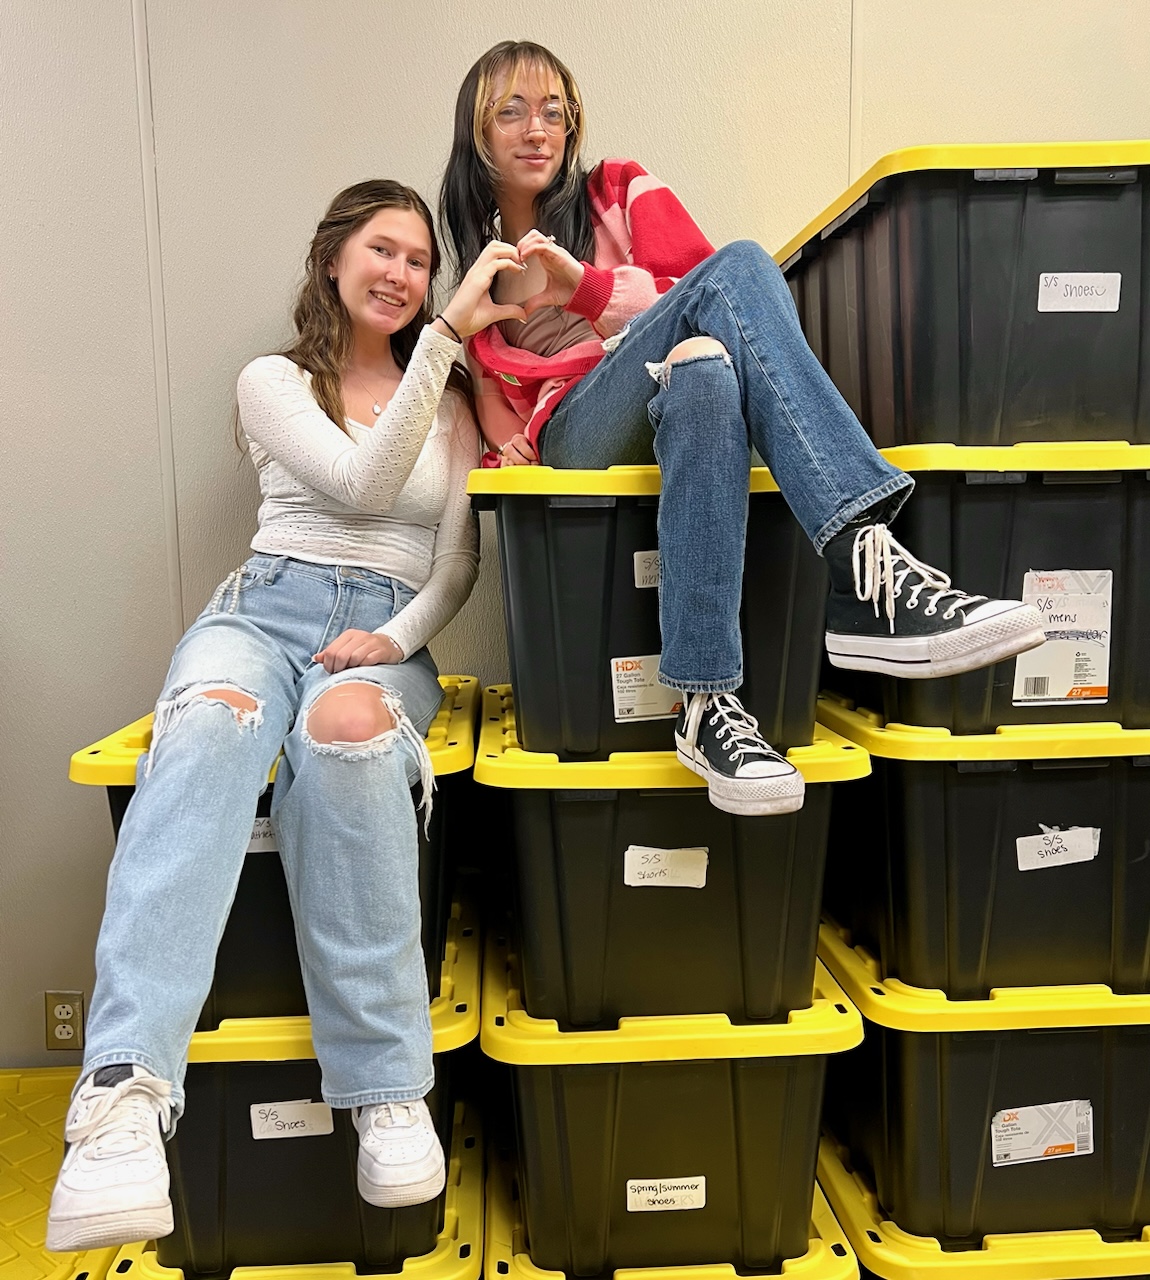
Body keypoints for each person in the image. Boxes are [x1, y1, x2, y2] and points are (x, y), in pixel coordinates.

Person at [47, 180, 527, 1252]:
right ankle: (124, 1097)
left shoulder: (448, 402)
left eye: (418, 258)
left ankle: (387, 1090)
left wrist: (392, 643)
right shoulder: (273, 380)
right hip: (262, 612)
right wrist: (451, 334)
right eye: (381, 250)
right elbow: (359, 488)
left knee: (349, 738)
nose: (402, 273)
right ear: (332, 260)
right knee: (211, 724)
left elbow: (454, 567)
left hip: (385, 631)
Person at [439, 40, 1045, 819]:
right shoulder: (479, 280)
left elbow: (696, 286)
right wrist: (507, 445)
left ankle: (705, 704)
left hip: (668, 390)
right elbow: (498, 423)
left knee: (705, 366)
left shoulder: (618, 190)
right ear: (477, 134)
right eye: (512, 111)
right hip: (578, 436)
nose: (538, 129)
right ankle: (863, 569)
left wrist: (584, 288)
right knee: (741, 269)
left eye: (554, 110)